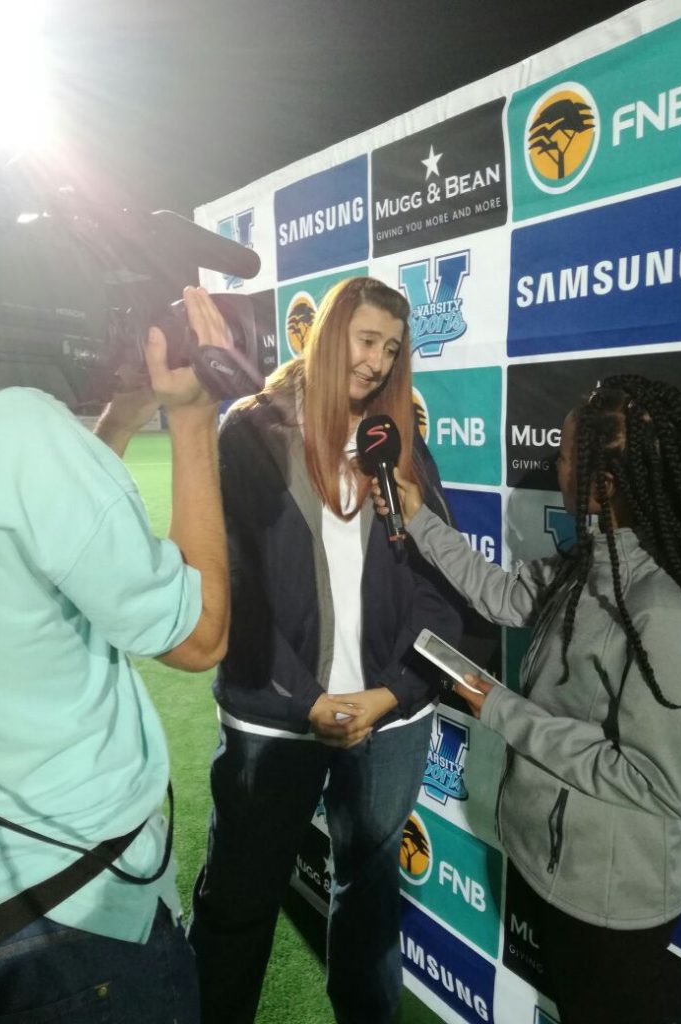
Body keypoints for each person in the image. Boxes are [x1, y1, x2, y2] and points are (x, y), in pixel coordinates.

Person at [374, 374, 681, 1024]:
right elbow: (500, 594)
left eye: (567, 456)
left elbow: (659, 783)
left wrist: (500, 707)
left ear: (606, 483)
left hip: (613, 904)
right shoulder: (590, 562)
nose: (556, 468)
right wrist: (417, 519)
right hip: (560, 870)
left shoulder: (663, 609)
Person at [187, 276, 462, 1024]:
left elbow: (440, 587)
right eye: (367, 340)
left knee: (369, 901)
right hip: (273, 722)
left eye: (392, 349)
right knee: (238, 903)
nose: (377, 362)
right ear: (330, 332)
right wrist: (306, 701)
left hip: (389, 722)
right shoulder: (249, 430)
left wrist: (393, 692)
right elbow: (232, 590)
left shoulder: (398, 442)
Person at [0, 287, 231, 1023]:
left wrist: (121, 419)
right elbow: (200, 635)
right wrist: (193, 418)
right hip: (70, 905)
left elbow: (54, 545)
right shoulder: (20, 429)